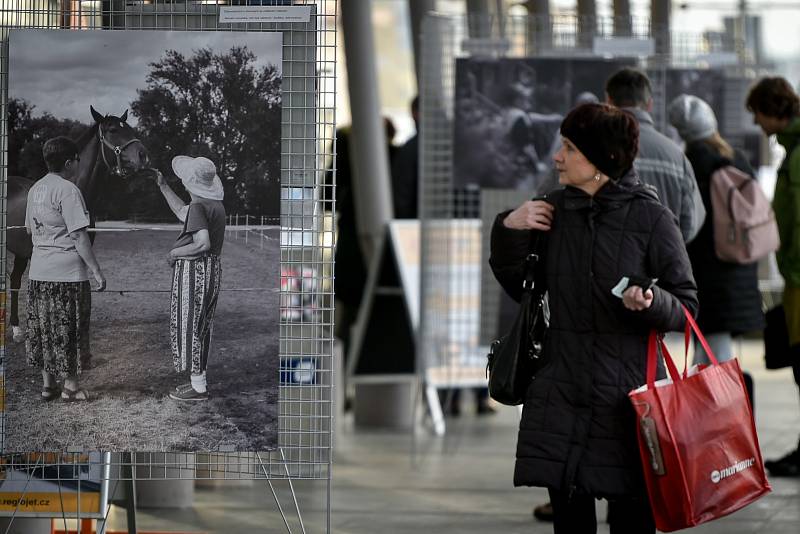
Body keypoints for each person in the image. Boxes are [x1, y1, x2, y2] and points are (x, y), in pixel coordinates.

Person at [490, 103, 698, 533]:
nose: (557, 157)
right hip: (560, 390)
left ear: (603, 159)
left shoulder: (652, 218)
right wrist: (510, 228)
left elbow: (687, 306)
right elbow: (520, 288)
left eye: (569, 147)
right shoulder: (551, 212)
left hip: (627, 401)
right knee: (569, 522)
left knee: (633, 520)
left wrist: (652, 301)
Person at [667, 94, 765, 365]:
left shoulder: (691, 165)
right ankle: (724, 406)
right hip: (739, 270)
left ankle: (725, 408)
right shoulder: (737, 160)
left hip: (709, 276)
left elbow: (687, 223)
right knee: (716, 353)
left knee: (714, 360)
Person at [25, 136, 106, 402]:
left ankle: (48, 385)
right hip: (66, 276)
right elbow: (79, 237)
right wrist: (96, 270)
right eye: (76, 160)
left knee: (44, 329)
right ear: (69, 162)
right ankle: (70, 387)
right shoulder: (69, 190)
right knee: (70, 328)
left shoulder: (35, 189)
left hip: (38, 273)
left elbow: (29, 229)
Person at [746, 76, 800, 477]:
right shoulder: (793, 149)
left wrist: (793, 264)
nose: (755, 121)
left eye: (757, 112)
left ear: (772, 110)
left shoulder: (798, 153)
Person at [605, 67, 706, 243]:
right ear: (650, 104)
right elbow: (690, 225)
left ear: (608, 101)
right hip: (660, 265)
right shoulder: (676, 156)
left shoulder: (584, 149)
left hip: (600, 265)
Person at [156, 156, 226, 402]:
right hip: (211, 271)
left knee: (191, 325)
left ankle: (197, 388)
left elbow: (202, 243)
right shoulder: (213, 205)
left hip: (195, 271)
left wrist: (173, 253)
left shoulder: (198, 207)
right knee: (202, 325)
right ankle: (199, 382)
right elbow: (180, 211)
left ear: (189, 182)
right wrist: (163, 186)